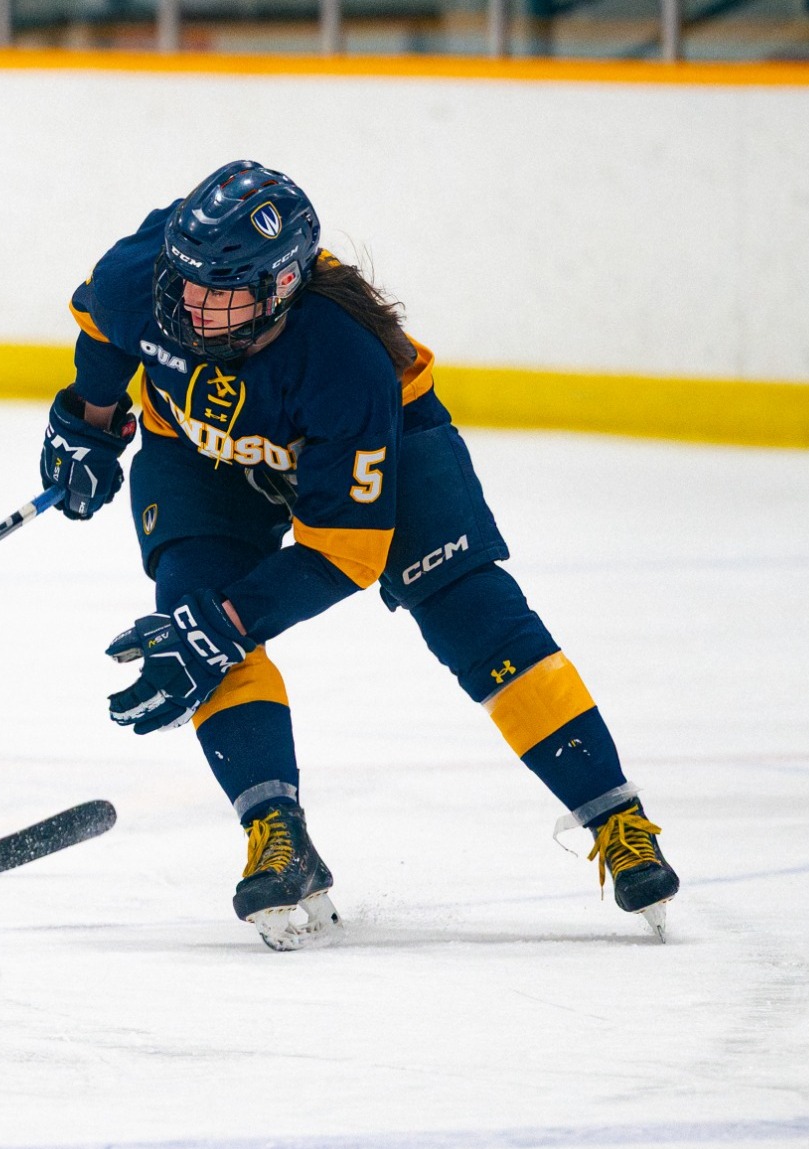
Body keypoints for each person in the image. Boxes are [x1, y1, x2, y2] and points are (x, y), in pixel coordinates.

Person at [38, 161, 679, 950]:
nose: (190, 302)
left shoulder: (347, 358)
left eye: (222, 289)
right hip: (201, 457)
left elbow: (343, 550)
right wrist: (90, 420)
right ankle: (278, 838)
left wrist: (230, 621)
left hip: (384, 446)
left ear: (278, 286)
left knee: (472, 612)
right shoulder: (147, 275)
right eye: (186, 279)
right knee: (189, 616)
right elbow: (105, 328)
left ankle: (616, 818)